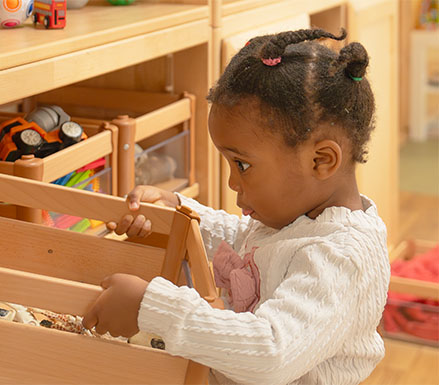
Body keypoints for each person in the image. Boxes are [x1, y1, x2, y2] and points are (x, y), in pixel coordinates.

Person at [81, 29, 390, 385]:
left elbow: (271, 353)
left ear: (321, 160)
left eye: (241, 164)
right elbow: (246, 241)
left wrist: (153, 309)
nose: (231, 182)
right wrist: (179, 211)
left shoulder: (341, 259)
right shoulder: (295, 216)